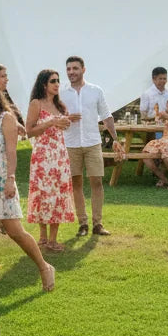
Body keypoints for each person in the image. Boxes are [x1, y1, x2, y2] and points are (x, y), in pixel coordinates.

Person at [0, 78, 56, 292]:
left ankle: (44, 267)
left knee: (14, 230)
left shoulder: (5, 118)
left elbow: (11, 152)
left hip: (0, 180)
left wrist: (10, 179)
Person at [62, 55, 125, 237]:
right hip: (70, 144)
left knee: (96, 181)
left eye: (75, 68)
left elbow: (106, 115)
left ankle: (98, 223)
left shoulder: (96, 91)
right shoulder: (62, 92)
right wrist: (65, 119)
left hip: (92, 142)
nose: (71, 72)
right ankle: (83, 223)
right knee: (76, 183)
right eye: (68, 69)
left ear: (83, 69)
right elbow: (55, 117)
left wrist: (115, 138)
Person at [26, 69, 76, 252]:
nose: (57, 84)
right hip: (42, 156)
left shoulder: (61, 105)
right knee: (43, 194)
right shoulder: (36, 103)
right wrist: (50, 122)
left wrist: (66, 122)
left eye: (58, 80)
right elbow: (29, 130)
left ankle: (53, 239)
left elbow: (63, 126)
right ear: (44, 84)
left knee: (58, 194)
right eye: (53, 81)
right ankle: (42, 238)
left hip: (60, 156)